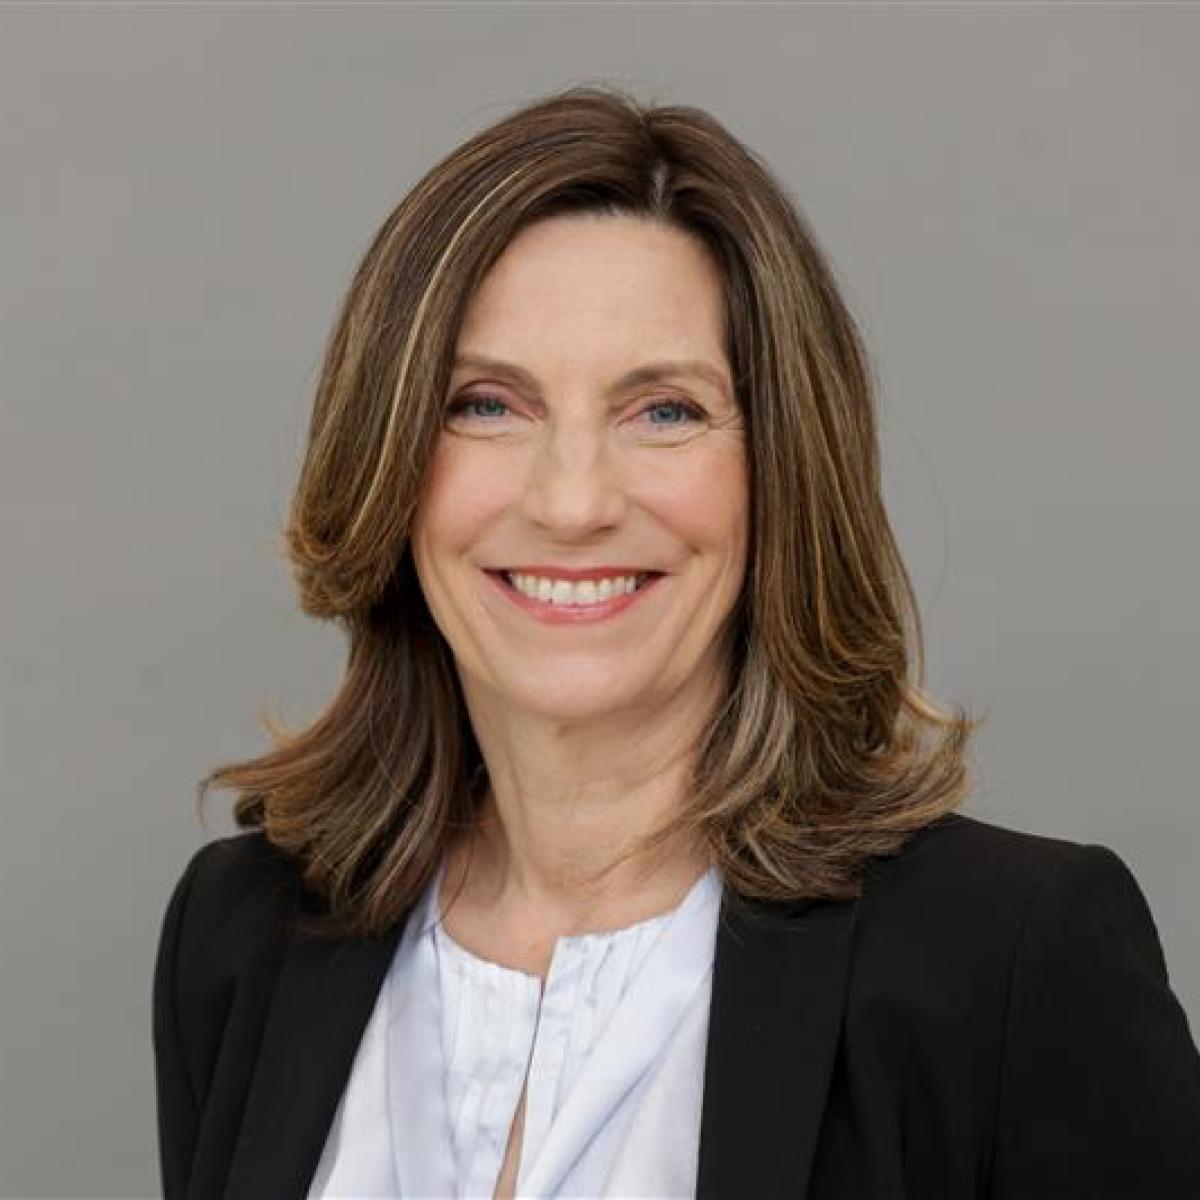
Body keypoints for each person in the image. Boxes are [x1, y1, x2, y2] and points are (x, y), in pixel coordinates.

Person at [152, 84, 1200, 1200]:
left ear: (779, 474)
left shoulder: (1012, 963)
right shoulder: (244, 933)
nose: (572, 502)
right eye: (487, 404)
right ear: (388, 462)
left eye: (665, 411)